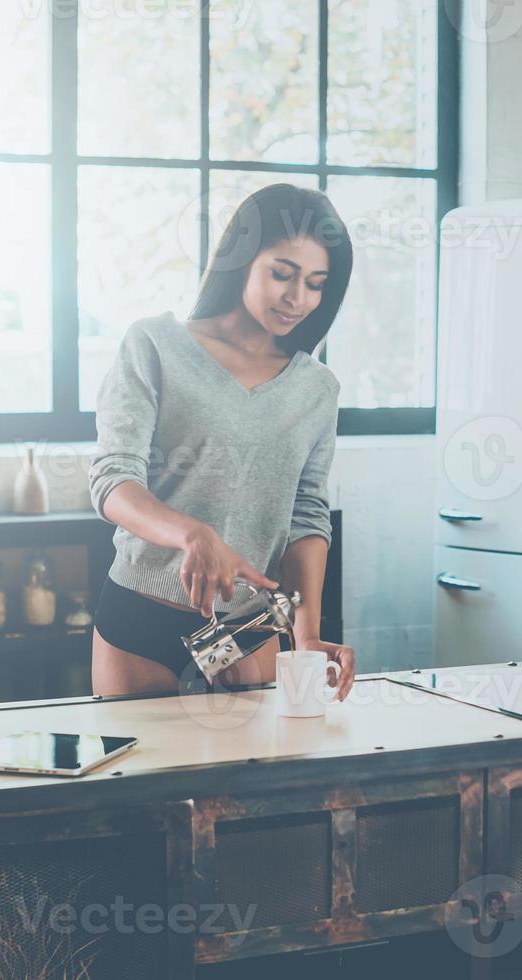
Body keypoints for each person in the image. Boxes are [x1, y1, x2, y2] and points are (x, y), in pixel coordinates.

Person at [88, 183, 355, 700]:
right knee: (141, 777)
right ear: (241, 260)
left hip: (250, 626)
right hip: (143, 609)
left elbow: (306, 515)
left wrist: (306, 636)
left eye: (317, 283)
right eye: (283, 273)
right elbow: (112, 480)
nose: (297, 298)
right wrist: (193, 534)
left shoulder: (317, 388)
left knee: (241, 779)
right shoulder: (155, 345)